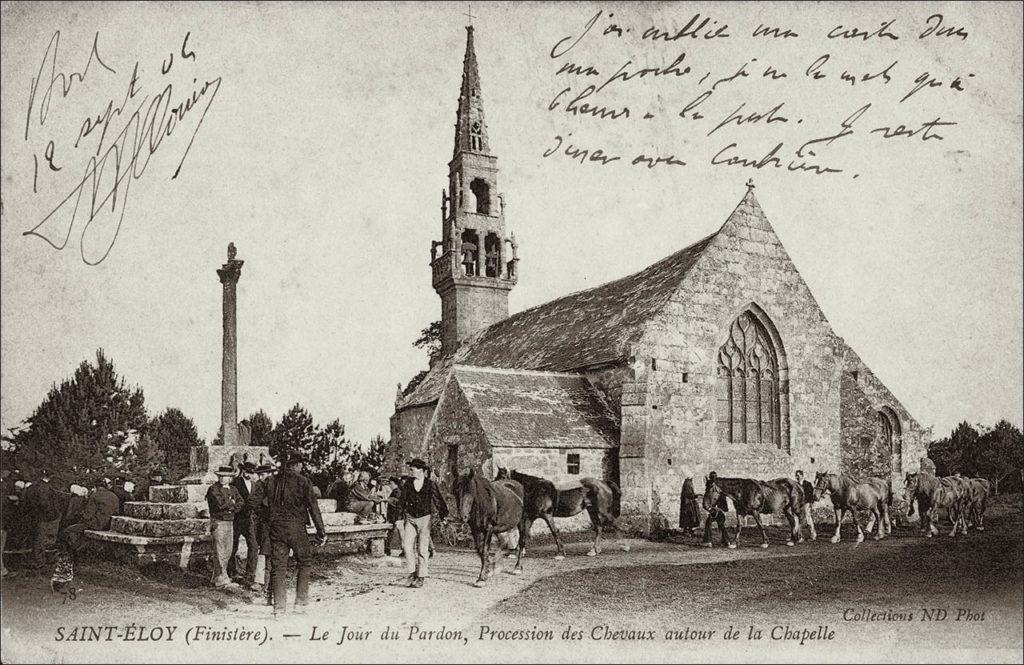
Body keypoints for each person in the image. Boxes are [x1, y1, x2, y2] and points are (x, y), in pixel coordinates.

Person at [250, 453, 325, 617]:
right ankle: (300, 603)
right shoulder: (304, 481)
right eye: (301, 465)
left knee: (278, 568)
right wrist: (321, 532)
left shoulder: (270, 481)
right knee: (305, 562)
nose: (301, 468)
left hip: (276, 528)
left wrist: (268, 515)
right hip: (297, 528)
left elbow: (252, 502)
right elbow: (314, 508)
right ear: (297, 465)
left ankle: (279, 608)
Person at [50, 479, 120, 593]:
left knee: (67, 531)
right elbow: (116, 512)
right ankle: (74, 555)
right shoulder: (114, 496)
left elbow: (88, 514)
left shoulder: (95, 495)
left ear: (96, 487)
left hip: (96, 525)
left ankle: (69, 559)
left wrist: (82, 519)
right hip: (109, 525)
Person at [400, 458, 448, 588]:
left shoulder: (429, 484)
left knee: (422, 548)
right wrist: (400, 517)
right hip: (410, 518)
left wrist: (444, 515)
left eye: (412, 469)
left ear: (421, 470)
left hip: (424, 519)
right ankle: (411, 573)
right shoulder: (408, 483)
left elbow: (438, 499)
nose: (411, 471)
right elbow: (402, 500)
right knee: (407, 546)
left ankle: (421, 576)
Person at [206, 466, 244, 589]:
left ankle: (217, 577)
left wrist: (231, 505)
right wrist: (231, 503)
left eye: (225, 476)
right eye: (220, 476)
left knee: (227, 550)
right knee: (219, 550)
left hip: (230, 521)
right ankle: (222, 579)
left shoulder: (233, 489)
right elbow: (219, 504)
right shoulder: (213, 489)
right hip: (219, 522)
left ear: (230, 478)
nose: (222, 478)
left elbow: (240, 503)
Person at [22, 469, 62, 568]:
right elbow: (45, 504)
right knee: (40, 539)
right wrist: (51, 514)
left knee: (37, 538)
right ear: (51, 477)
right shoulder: (44, 488)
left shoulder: (32, 487)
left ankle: (37, 559)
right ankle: (39, 561)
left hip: (34, 516)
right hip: (43, 517)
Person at [229, 463, 260, 586]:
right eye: (248, 472)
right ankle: (232, 571)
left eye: (252, 473)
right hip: (237, 519)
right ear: (243, 472)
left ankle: (250, 573)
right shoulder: (235, 483)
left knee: (253, 545)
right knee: (233, 545)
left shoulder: (255, 484)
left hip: (249, 520)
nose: (250, 475)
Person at [794, 470, 818, 541]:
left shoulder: (807, 484)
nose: (797, 477)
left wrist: (809, 504)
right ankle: (799, 536)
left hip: (805, 504)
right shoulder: (795, 485)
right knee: (796, 519)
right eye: (796, 476)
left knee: (807, 518)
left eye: (798, 476)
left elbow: (810, 495)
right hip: (797, 504)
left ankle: (813, 535)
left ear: (802, 476)